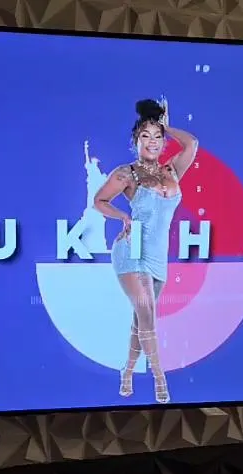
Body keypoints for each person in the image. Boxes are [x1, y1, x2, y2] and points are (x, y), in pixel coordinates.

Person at [92, 97, 198, 404]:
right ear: (135, 140)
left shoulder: (171, 171)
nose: (152, 141)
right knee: (148, 315)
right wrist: (122, 216)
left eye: (157, 136)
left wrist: (167, 125)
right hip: (131, 251)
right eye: (145, 136)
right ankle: (159, 380)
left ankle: (127, 372)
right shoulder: (126, 174)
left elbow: (192, 144)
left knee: (141, 320)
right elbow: (99, 201)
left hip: (157, 256)